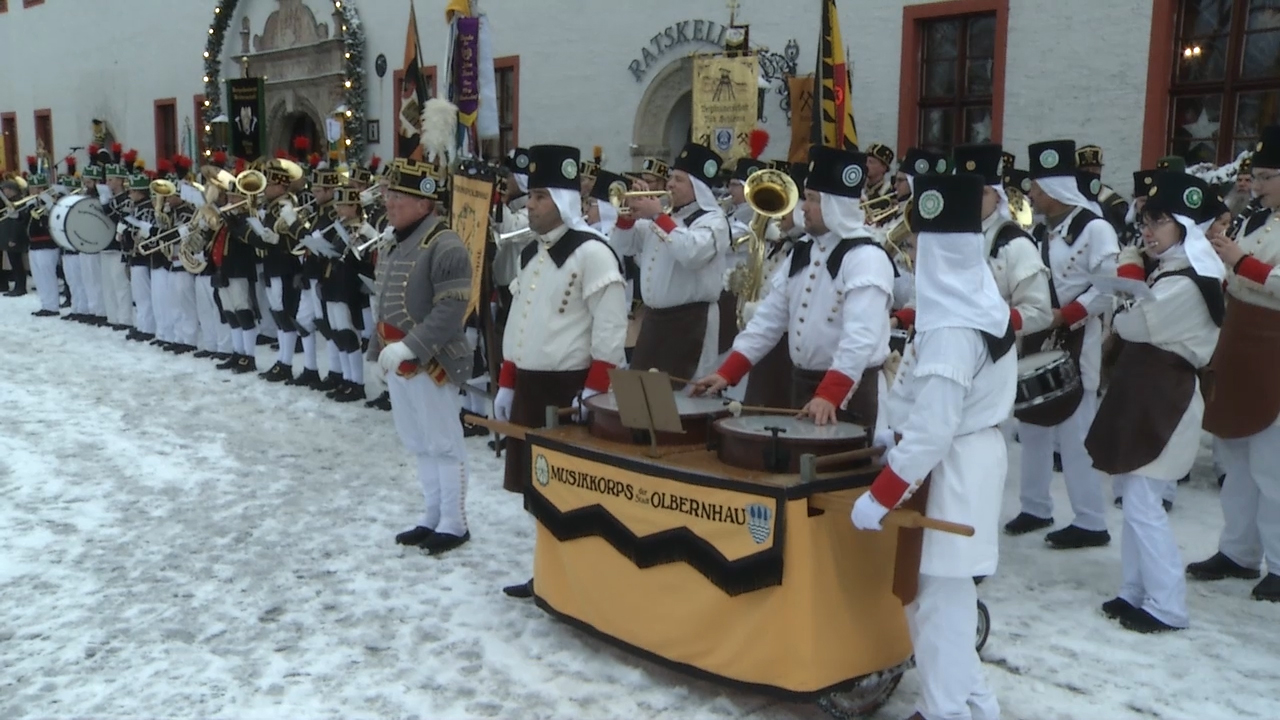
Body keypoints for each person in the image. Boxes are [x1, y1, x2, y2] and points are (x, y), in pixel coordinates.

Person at [851, 173, 1015, 720]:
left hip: (953, 466)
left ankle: (945, 711)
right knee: (947, 595)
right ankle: (977, 705)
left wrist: (881, 495)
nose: (913, 255)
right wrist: (889, 430)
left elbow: (933, 430)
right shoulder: (974, 303)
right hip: (963, 458)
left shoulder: (953, 328)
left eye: (920, 245)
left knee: (937, 601)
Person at [1087, 172, 1225, 632]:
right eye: (1145, 221)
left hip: (1167, 396)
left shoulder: (1190, 279)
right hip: (1146, 389)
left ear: (1184, 225)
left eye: (1159, 221)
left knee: (1144, 502)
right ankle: (1135, 590)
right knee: (1134, 497)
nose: (1147, 231)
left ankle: (1168, 605)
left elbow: (1133, 325)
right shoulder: (1169, 270)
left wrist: (1127, 283)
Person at [493, 144, 627, 599]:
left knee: (568, 493)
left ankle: (574, 581)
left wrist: (592, 391)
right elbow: (519, 321)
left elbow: (610, 330)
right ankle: (548, 575)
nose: (529, 205)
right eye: (530, 196)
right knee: (537, 490)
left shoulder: (593, 253)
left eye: (540, 197)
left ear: (564, 201)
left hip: (568, 389)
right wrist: (508, 381)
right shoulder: (533, 253)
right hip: (530, 386)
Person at [692, 145, 894, 429]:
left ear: (835, 205)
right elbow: (769, 319)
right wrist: (728, 372)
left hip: (848, 393)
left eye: (812, 199)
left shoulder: (866, 257)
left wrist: (830, 394)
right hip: (801, 384)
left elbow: (861, 337)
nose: (802, 208)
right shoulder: (803, 250)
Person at [1004, 140, 1119, 549]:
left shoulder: (1096, 228)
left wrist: (1065, 315)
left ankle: (1090, 520)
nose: (1031, 195)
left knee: (1075, 433)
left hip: (1076, 337)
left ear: (1055, 188)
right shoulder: (1040, 230)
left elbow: (1108, 289)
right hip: (1039, 336)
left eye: (1036, 188)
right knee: (1032, 423)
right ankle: (1035, 507)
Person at [1188, 125, 1280, 602]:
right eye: (1256, 176)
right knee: (1235, 454)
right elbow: (1234, 275)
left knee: (1272, 464)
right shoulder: (1257, 219)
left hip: (1273, 348)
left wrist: (1240, 261)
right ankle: (1239, 551)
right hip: (1240, 339)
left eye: (1267, 177)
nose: (1257, 186)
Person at [368, 158, 474, 555]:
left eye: (398, 196)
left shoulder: (445, 245)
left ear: (424, 203)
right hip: (398, 359)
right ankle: (432, 515)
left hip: (433, 361)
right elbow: (383, 304)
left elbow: (451, 309)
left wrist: (409, 347)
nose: (389, 202)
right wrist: (374, 353)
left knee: (443, 443)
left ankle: (455, 522)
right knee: (418, 442)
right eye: (389, 194)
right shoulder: (393, 241)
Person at [609, 142, 731, 381]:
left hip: (690, 323)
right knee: (641, 390)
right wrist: (626, 218)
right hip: (654, 322)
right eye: (671, 178)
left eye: (679, 179)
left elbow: (692, 254)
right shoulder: (665, 217)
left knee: (682, 392)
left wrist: (657, 215)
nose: (670, 184)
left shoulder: (713, 221)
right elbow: (621, 246)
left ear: (697, 187)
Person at [251, 158, 307, 382]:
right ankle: (282, 361)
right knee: (277, 313)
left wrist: (277, 240)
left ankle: (286, 362)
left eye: (269, 185)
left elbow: (297, 240)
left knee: (285, 313)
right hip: (272, 264)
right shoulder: (270, 207)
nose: (265, 189)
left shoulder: (287, 206)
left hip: (285, 266)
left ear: (281, 186)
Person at [23, 167, 60, 317]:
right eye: (32, 188)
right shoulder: (31, 202)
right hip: (33, 244)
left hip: (47, 244)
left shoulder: (50, 203)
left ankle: (52, 306)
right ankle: (45, 304)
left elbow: (50, 220)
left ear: (42, 188)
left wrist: (46, 204)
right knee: (38, 277)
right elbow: (26, 223)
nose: (33, 191)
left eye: (36, 188)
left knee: (47, 276)